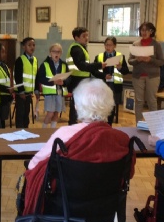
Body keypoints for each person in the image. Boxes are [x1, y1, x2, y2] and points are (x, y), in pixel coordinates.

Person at [22, 78, 136, 215]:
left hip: (65, 208)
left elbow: (34, 166)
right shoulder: (121, 140)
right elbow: (128, 174)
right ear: (110, 106)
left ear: (76, 106)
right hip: (104, 210)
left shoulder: (64, 135)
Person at [66, 27, 106, 125]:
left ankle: (76, 123)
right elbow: (82, 66)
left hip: (81, 79)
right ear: (76, 38)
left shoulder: (81, 48)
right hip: (77, 79)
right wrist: (99, 65)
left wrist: (102, 74)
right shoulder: (76, 49)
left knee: (79, 103)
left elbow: (87, 67)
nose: (86, 38)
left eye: (87, 35)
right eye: (84, 36)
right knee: (76, 103)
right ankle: (73, 124)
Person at [128, 22, 164, 123]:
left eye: (147, 30)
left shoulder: (156, 44)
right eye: (142, 30)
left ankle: (154, 125)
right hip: (138, 76)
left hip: (153, 77)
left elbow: (161, 62)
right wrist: (137, 60)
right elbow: (130, 61)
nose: (144, 32)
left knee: (152, 101)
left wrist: (150, 60)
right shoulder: (135, 44)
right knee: (139, 101)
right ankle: (139, 124)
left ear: (151, 31)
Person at [94, 36, 129, 125]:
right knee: (101, 106)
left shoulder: (120, 57)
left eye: (110, 45)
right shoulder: (99, 57)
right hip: (102, 84)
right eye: (106, 45)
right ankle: (100, 124)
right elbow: (94, 71)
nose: (108, 47)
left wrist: (120, 67)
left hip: (115, 85)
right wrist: (104, 75)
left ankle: (109, 125)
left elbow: (126, 71)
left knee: (112, 106)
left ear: (115, 46)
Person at [37, 43, 69, 128]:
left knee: (56, 113)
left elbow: (68, 78)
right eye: (54, 51)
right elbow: (41, 78)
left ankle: (52, 130)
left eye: (58, 52)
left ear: (61, 53)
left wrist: (64, 82)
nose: (56, 53)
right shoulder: (45, 64)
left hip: (59, 92)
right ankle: (44, 130)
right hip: (50, 92)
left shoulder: (64, 64)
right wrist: (53, 82)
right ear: (50, 52)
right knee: (50, 113)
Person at [14, 37, 38, 128]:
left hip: (29, 93)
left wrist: (36, 89)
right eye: (29, 45)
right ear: (24, 47)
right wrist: (21, 91)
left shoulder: (35, 60)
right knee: (20, 114)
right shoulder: (20, 60)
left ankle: (26, 131)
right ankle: (19, 131)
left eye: (33, 45)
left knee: (26, 114)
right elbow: (18, 77)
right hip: (21, 93)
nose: (32, 47)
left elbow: (36, 76)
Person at [0, 42, 13, 128]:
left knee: (3, 121)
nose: (5, 54)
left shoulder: (4, 65)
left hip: (6, 98)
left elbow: (7, 80)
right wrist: (7, 89)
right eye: (3, 52)